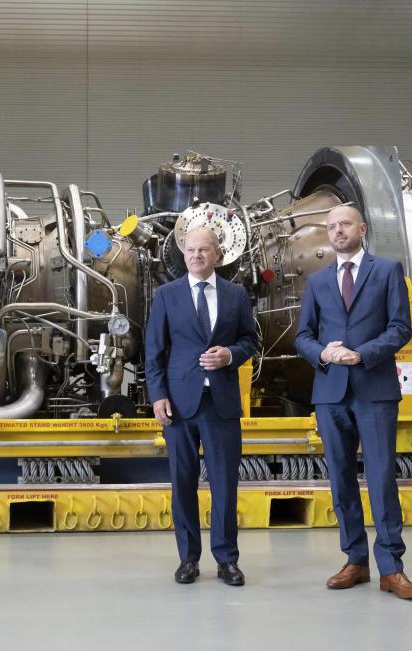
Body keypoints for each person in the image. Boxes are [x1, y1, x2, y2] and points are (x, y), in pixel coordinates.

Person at [295, 205, 412, 600]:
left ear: (362, 229)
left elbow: (400, 328)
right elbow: (303, 336)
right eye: (331, 226)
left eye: (344, 224)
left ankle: (392, 568)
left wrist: (361, 354)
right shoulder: (317, 282)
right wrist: (324, 353)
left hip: (374, 390)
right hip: (331, 393)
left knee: (382, 476)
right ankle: (355, 561)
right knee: (341, 479)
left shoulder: (386, 271)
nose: (337, 231)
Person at [145, 226, 257, 586]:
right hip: (179, 404)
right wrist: (158, 395)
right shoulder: (166, 295)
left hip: (221, 402)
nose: (196, 256)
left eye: (203, 250)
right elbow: (155, 352)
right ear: (183, 254)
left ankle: (227, 560)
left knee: (225, 484)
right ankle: (188, 559)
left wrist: (230, 354)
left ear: (217, 254)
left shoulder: (236, 294)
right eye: (190, 250)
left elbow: (249, 340)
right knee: (183, 483)